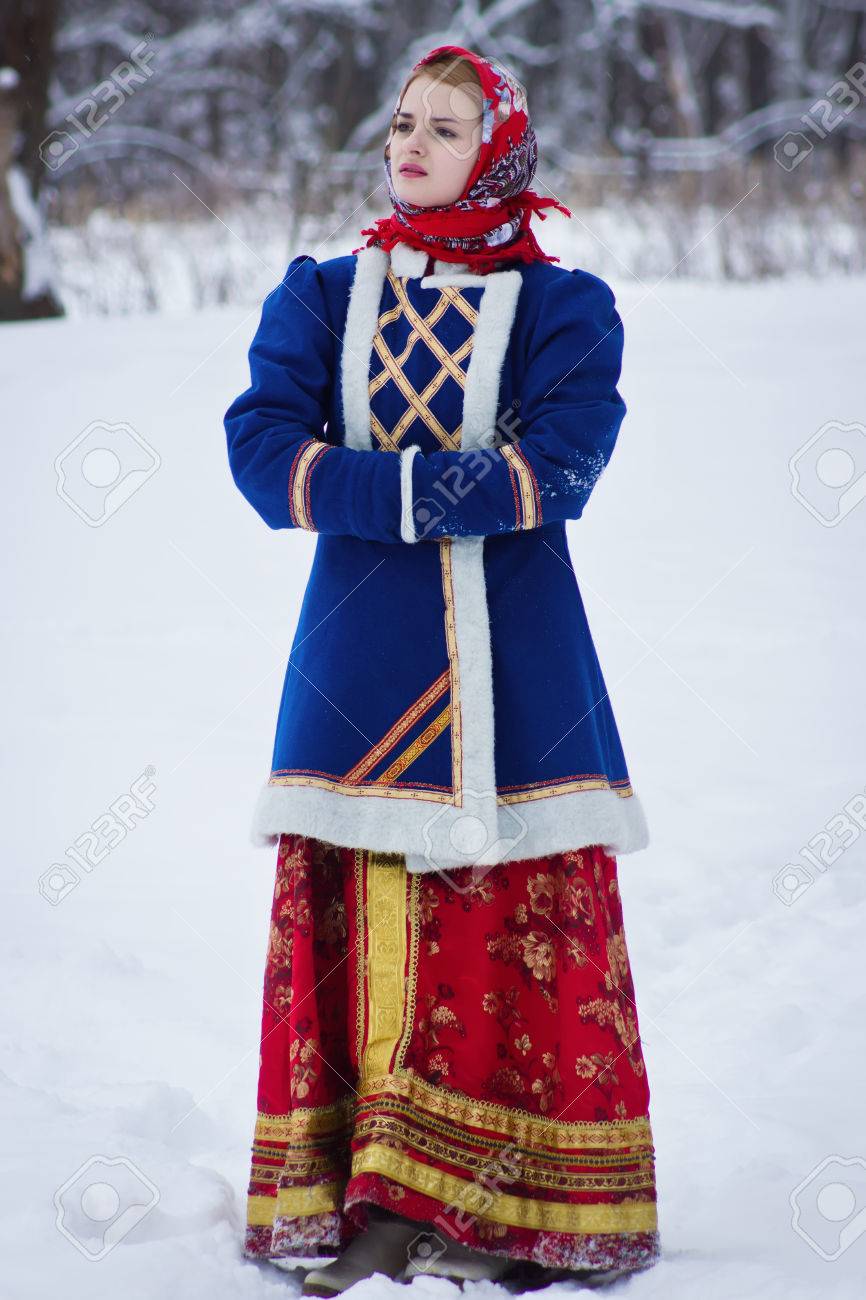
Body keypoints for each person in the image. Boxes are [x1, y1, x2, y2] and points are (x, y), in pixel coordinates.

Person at [224, 43, 660, 1296]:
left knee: (502, 925)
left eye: (446, 127)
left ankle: (502, 1208)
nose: (410, 144)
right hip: (358, 669)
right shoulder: (318, 295)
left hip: (515, 672)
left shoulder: (563, 307)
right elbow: (263, 456)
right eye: (401, 123)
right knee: (364, 917)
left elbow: (556, 470)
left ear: (499, 149)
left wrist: (373, 489)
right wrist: (434, 493)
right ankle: (371, 1198)